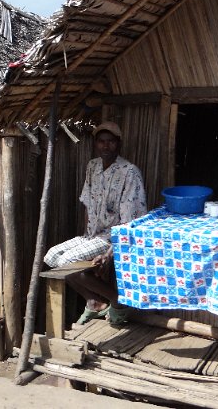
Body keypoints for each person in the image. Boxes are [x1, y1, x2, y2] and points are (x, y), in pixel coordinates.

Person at [43, 121, 147, 325]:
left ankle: (116, 300)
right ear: (95, 144)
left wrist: (110, 253)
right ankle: (95, 301)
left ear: (118, 144)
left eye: (110, 142)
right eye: (101, 142)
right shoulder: (93, 166)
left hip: (112, 237)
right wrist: (85, 237)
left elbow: (130, 221)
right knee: (51, 256)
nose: (105, 146)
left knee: (67, 262)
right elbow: (87, 202)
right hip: (92, 235)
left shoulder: (129, 172)